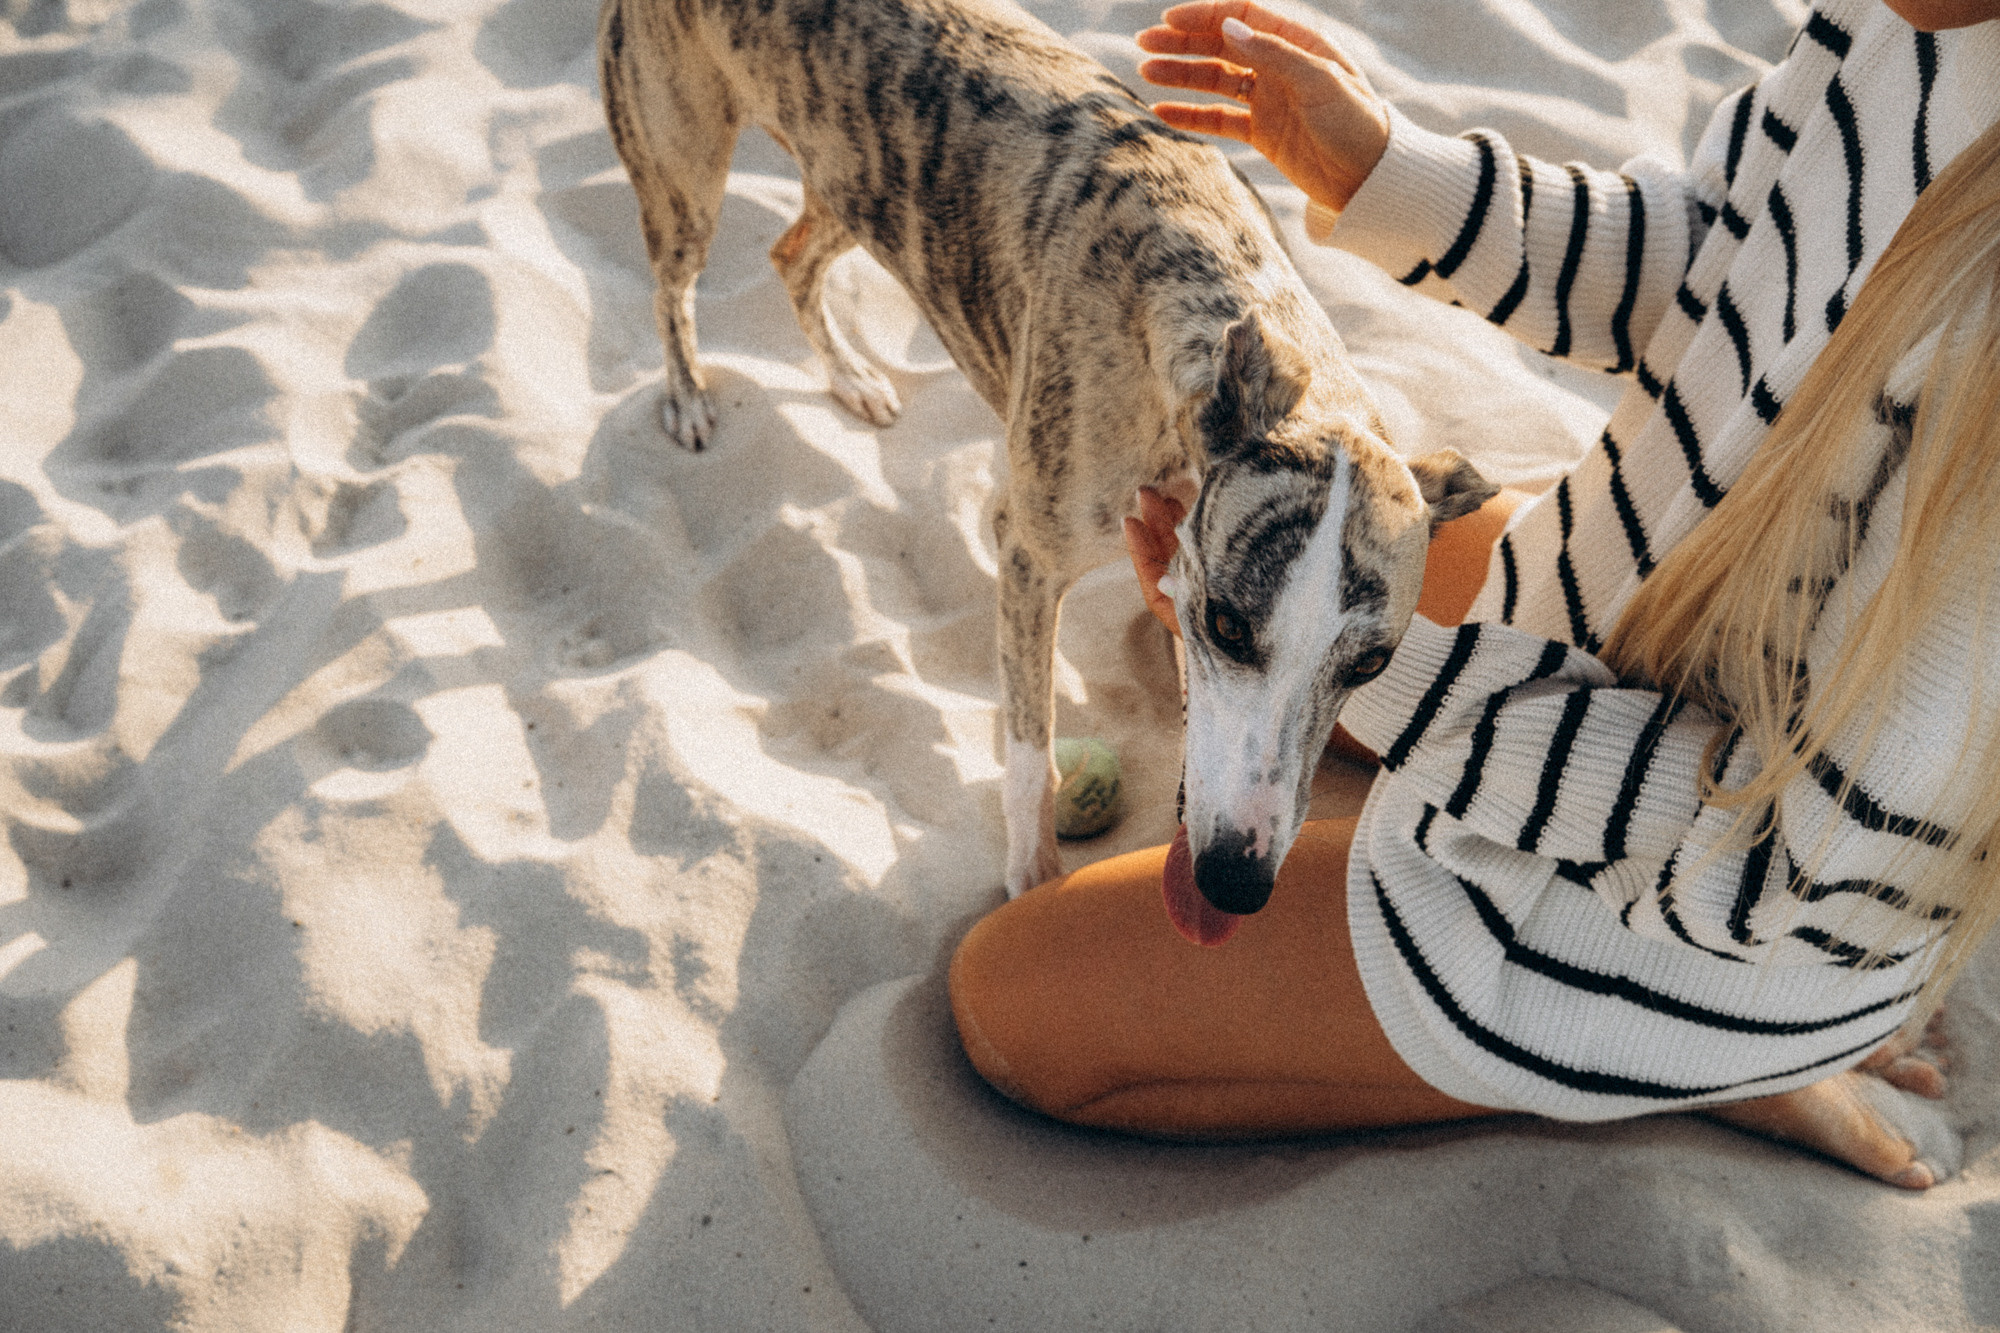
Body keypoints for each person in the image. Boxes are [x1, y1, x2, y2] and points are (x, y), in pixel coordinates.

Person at [948, 0, 2000, 1189]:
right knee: (1252, 587)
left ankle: (1721, 1067)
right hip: (1634, 606)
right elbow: (1724, 255)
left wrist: (1392, 684)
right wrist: (1391, 171)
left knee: (1011, 1004)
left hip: (1701, 913)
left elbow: (1770, 867)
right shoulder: (1907, 18)